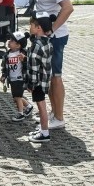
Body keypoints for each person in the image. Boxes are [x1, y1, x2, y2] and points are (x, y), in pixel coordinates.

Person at [25, 0, 74, 130]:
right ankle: (54, 113)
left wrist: (51, 30)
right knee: (51, 75)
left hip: (55, 38)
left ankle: (59, 117)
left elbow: (68, 7)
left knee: (56, 77)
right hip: (49, 38)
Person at [25, 15, 53, 144]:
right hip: (44, 80)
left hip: (37, 82)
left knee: (41, 107)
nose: (29, 27)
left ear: (39, 28)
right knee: (41, 106)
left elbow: (34, 67)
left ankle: (45, 133)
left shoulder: (36, 45)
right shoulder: (47, 41)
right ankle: (42, 129)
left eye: (31, 25)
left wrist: (31, 83)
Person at [0, 31, 34, 121]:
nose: (9, 41)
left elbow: (29, 65)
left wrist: (25, 60)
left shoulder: (22, 53)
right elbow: (5, 66)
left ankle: (20, 113)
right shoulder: (7, 55)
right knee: (15, 97)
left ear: (18, 45)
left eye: (12, 40)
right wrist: (4, 75)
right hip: (12, 79)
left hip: (20, 78)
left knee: (18, 97)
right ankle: (29, 106)